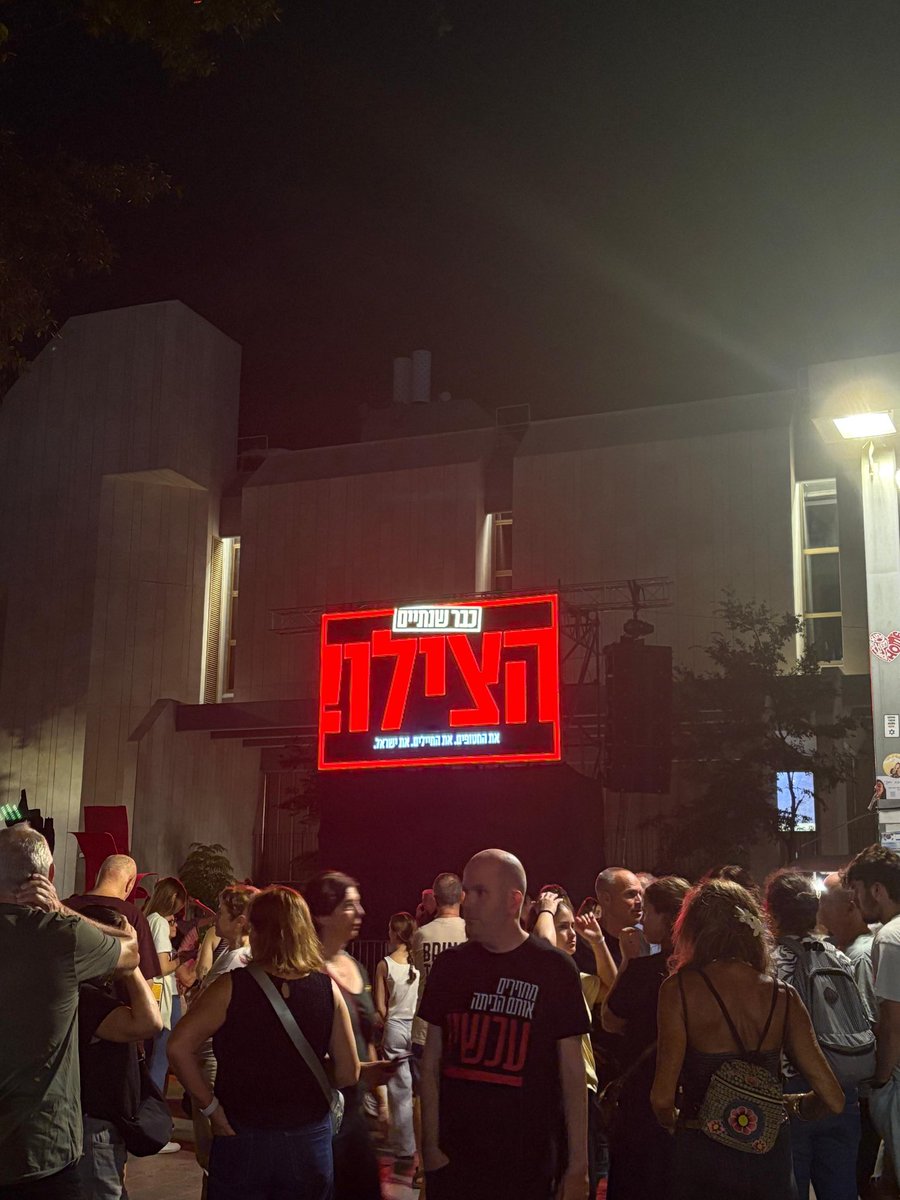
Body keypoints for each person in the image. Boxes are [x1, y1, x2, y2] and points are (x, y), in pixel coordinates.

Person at [651, 878, 844, 1200]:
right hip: (768, 1150)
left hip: (704, 1152)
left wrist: (678, 1124)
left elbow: (661, 1098)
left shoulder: (679, 990)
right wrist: (793, 1105)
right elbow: (833, 1098)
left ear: (693, 930)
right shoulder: (782, 994)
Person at [419, 848, 590, 1200]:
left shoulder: (554, 969)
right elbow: (431, 1064)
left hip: (528, 1166)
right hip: (457, 1164)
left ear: (514, 901)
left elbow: (573, 1076)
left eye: (481, 892)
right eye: (466, 891)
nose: (468, 902)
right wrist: (431, 1150)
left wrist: (578, 1167)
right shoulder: (450, 967)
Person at [168, 885, 359, 1200]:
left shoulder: (231, 987)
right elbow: (349, 1072)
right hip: (307, 1137)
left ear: (256, 931)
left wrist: (211, 1108)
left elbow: (178, 1047)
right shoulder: (327, 990)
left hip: (242, 1135)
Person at [0, 825, 139, 1196]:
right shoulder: (60, 936)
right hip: (43, 1150)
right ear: (48, 876)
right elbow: (129, 949)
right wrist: (61, 909)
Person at [767, 868, 864, 1200]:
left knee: (791, 1187)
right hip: (840, 1086)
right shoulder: (838, 956)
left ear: (772, 912)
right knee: (841, 1189)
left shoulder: (769, 964)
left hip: (791, 1093)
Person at [304, 870, 400, 1200]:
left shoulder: (356, 967)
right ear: (321, 913)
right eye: (349, 906)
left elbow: (368, 1036)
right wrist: (359, 1070)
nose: (361, 913)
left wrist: (381, 1098)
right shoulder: (306, 971)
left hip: (355, 1110)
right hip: (320, 1115)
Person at [601, 876, 690, 1200]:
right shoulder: (700, 970)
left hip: (643, 1097)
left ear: (666, 917)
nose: (643, 917)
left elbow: (610, 1019)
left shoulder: (647, 970)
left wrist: (628, 961)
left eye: (648, 911)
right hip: (688, 1096)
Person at [530, 885, 617, 1197]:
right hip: (552, 1092)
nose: (571, 934)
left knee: (585, 1184)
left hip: (585, 1092)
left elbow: (613, 986)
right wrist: (545, 911)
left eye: (571, 927)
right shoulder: (541, 974)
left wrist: (598, 942)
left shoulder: (576, 979)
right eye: (562, 927)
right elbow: (541, 946)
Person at [76, 905, 164, 1200]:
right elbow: (150, 1022)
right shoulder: (86, 996)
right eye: (127, 943)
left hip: (105, 1126)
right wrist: (132, 964)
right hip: (94, 1129)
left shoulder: (102, 988)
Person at [189, 884, 258, 1195]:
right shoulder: (231, 954)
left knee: (213, 1148)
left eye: (221, 911)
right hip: (208, 1053)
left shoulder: (237, 961)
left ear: (240, 921)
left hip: (212, 1055)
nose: (215, 916)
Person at [819, 874, 881, 1199]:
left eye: (825, 901)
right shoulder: (848, 950)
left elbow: (869, 1027)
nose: (820, 910)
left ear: (850, 904)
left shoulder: (859, 956)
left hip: (866, 1094)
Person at [409, 871, 467, 1188]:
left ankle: (423, 1163)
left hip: (424, 1028)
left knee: (424, 1098)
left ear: (434, 897)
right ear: (462, 897)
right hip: (461, 1030)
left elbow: (418, 972)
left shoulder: (422, 935)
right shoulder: (471, 933)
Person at [846, 845, 900, 1180]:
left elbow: (893, 1023)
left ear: (877, 890)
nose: (854, 900)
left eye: (857, 890)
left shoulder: (890, 938)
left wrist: (880, 1082)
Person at [66, 853, 161, 980]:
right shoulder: (133, 916)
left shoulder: (63, 908)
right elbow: (147, 980)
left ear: (98, 877)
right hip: (114, 999)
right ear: (129, 884)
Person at [374, 912, 420, 1170]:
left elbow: (381, 1005)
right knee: (419, 1087)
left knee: (399, 1088)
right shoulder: (417, 964)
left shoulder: (385, 964)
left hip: (395, 1026)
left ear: (395, 933)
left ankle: (405, 1146)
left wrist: (388, 1018)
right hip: (416, 1025)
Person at [143, 876, 189, 1114]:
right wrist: (183, 956)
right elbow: (162, 965)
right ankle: (153, 1117)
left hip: (155, 995)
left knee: (158, 1056)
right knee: (162, 1057)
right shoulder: (159, 922)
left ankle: (151, 1115)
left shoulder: (149, 920)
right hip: (164, 997)